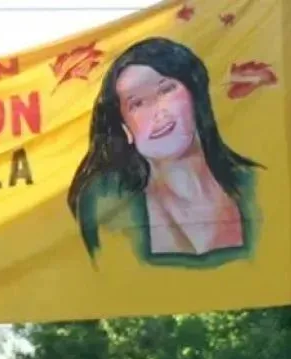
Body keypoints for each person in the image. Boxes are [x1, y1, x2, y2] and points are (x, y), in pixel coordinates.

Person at [67, 37, 261, 267]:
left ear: (194, 95)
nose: (159, 112)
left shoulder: (259, 185)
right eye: (137, 103)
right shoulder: (106, 202)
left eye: (166, 89)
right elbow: (112, 288)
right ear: (124, 128)